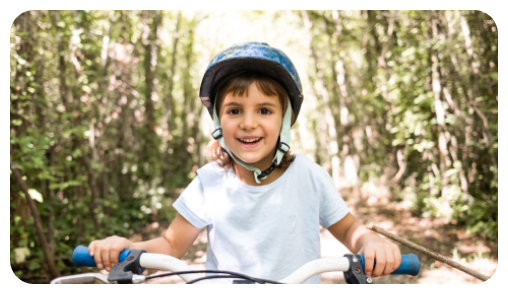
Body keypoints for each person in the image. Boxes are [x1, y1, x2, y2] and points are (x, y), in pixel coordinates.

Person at [88, 42, 401, 283]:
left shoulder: (308, 175)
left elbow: (351, 230)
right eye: (234, 110)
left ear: (285, 121)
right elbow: (171, 246)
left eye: (264, 110)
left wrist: (371, 241)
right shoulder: (209, 182)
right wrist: (126, 246)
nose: (248, 123)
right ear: (218, 121)